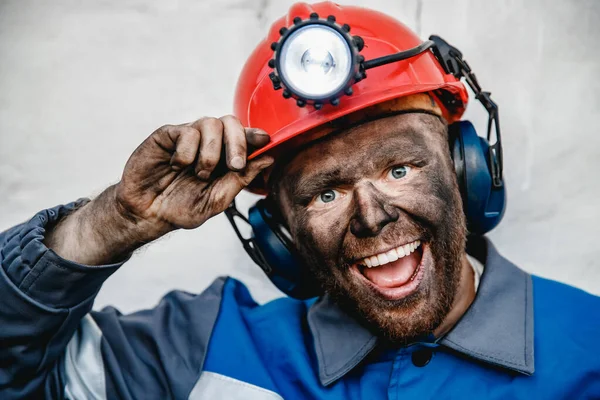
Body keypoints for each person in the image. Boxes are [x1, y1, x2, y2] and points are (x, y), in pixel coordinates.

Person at [1, 2, 599, 399]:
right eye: (326, 192)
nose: (372, 216)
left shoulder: (589, 344)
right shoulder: (198, 349)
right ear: (278, 233)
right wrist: (116, 221)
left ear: (465, 168)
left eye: (399, 167)